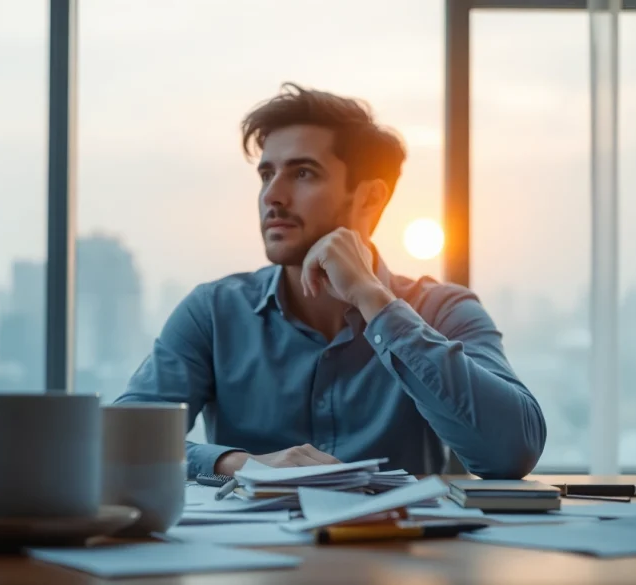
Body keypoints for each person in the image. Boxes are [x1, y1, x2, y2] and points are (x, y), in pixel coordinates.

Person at [115, 83, 546, 479]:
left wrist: (373, 300)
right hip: (256, 560)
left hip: (396, 556)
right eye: (267, 175)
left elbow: (511, 453)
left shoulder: (443, 309)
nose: (273, 196)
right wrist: (241, 464)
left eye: (303, 173)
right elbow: (118, 439)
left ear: (370, 197)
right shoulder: (213, 311)